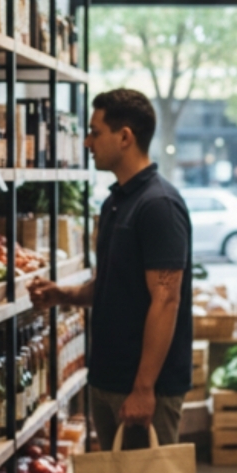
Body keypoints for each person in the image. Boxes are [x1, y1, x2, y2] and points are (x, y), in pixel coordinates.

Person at [29, 89, 194, 451]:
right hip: (107, 379)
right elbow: (112, 286)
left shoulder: (159, 206)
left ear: (124, 137)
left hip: (141, 387)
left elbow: (166, 299)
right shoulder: (116, 202)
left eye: (95, 131)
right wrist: (63, 294)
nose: (87, 141)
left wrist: (144, 388)